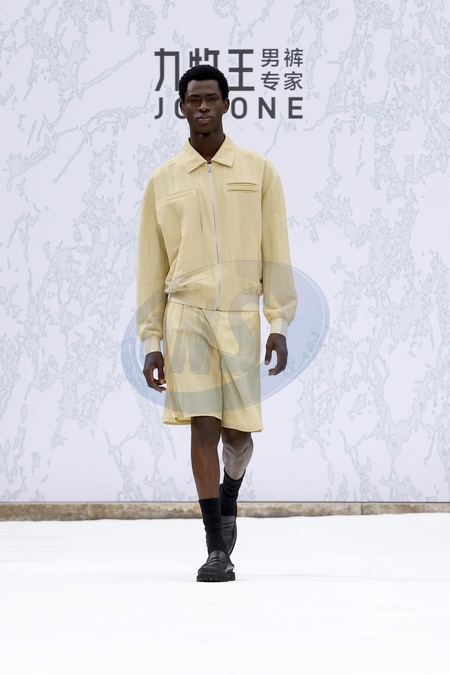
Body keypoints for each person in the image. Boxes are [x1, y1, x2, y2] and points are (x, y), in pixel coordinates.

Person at [137, 65, 297, 582]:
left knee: (238, 438)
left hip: (241, 317)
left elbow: (276, 249)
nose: (202, 106)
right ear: (181, 107)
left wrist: (278, 322)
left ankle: (230, 491)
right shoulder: (163, 181)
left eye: (211, 98)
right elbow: (150, 266)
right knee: (202, 426)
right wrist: (152, 338)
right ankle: (215, 547)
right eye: (193, 100)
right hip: (185, 316)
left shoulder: (258, 171)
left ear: (226, 104)